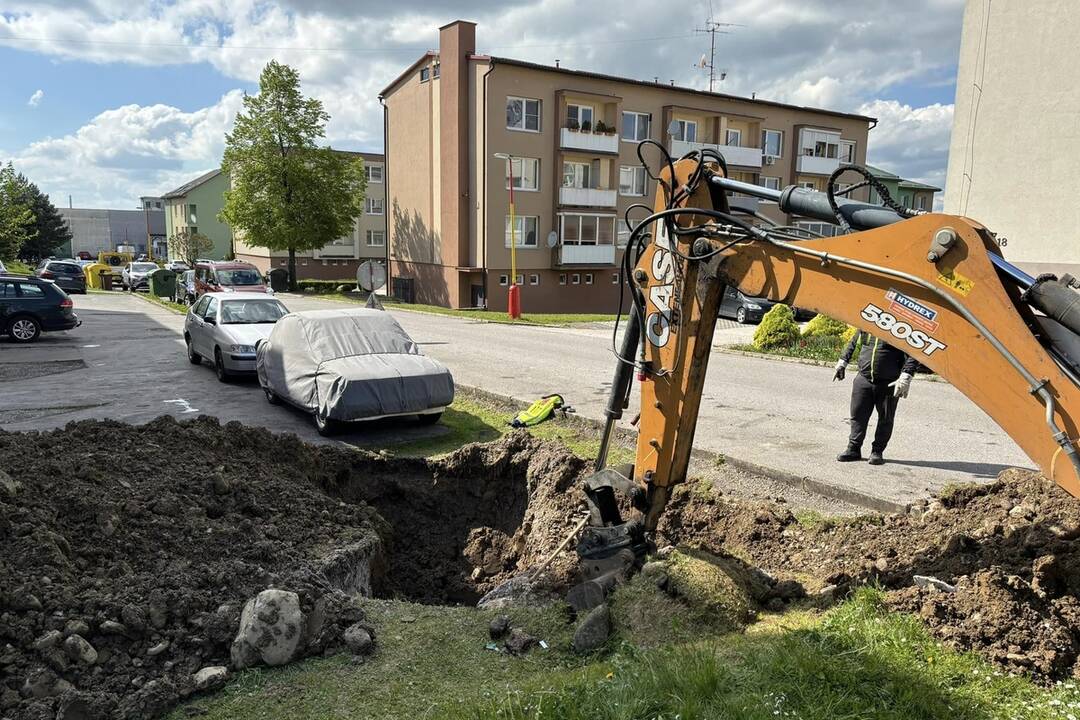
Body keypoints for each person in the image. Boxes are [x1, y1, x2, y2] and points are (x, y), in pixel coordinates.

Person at [833, 331, 919, 465]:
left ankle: (877, 452)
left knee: (886, 418)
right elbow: (853, 342)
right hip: (864, 378)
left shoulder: (902, 328)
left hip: (889, 381)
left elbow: (915, 351)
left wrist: (906, 375)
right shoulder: (869, 323)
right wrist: (843, 362)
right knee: (857, 415)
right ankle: (853, 449)